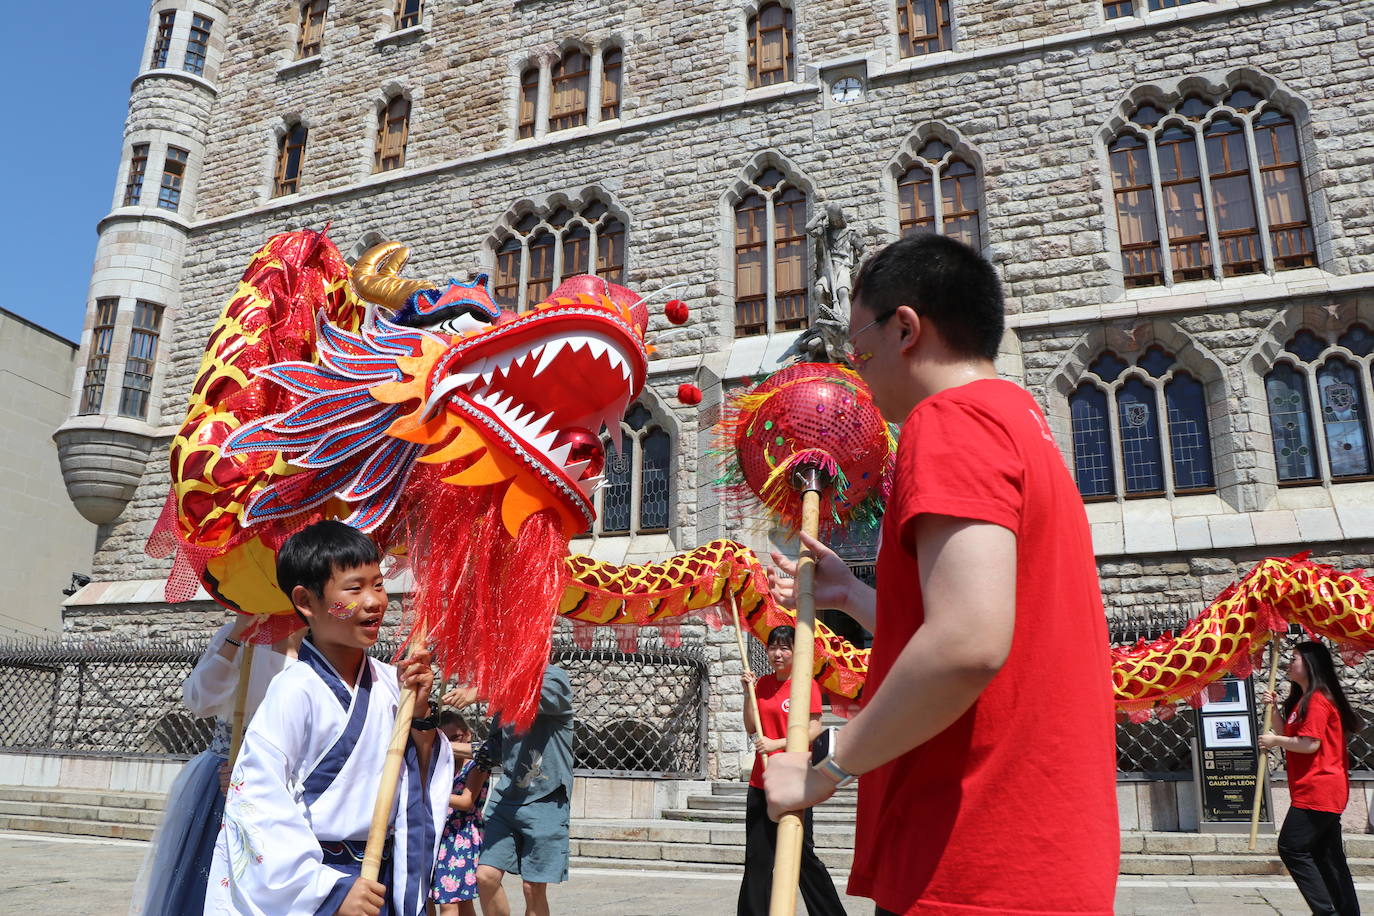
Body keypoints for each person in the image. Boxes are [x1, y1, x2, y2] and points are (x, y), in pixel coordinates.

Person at [763, 234, 1119, 914]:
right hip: (1037, 855)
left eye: (857, 343)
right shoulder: (1019, 417)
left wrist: (827, 767)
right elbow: (998, 623)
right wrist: (864, 599)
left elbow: (966, 643)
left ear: (905, 328)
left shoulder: (949, 420)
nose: (854, 366)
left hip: (976, 857)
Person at [204, 519, 453, 916]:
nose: (374, 601)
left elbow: (419, 780)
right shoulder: (293, 690)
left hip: (379, 879)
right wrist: (328, 891)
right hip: (319, 883)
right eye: (354, 588)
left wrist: (420, 715)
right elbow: (259, 801)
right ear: (305, 601)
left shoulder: (394, 683)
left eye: (378, 584)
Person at [129, 614, 302, 916]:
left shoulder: (322, 644)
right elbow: (199, 700)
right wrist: (235, 637)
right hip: (225, 778)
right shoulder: (241, 637)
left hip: (293, 784)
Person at [738, 626, 845, 916]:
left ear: (795, 652)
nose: (778, 653)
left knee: (801, 856)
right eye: (773, 647)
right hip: (762, 780)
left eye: (785, 647)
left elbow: (814, 728)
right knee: (758, 858)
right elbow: (751, 726)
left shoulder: (805, 684)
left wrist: (778, 742)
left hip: (795, 782)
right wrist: (748, 693)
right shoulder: (761, 685)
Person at [1259, 641, 1362, 916]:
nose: (1289, 663)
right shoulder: (1303, 699)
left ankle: (1324, 911)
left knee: (1291, 848)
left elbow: (1308, 744)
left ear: (1310, 664)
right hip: (1314, 787)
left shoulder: (1318, 700)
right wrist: (1276, 710)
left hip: (1319, 787)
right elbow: (1291, 736)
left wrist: (1273, 740)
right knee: (1328, 857)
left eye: (1294, 658)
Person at [470, 664, 574, 916]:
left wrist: (482, 692)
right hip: (506, 798)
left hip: (545, 798)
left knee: (532, 888)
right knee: (485, 876)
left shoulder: (553, 677)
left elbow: (536, 697)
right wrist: (439, 740)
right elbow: (495, 748)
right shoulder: (506, 686)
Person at [430, 713, 490, 916]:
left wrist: (431, 794)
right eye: (445, 740)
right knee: (453, 899)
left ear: (467, 735)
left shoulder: (477, 763)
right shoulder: (443, 763)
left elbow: (466, 802)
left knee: (450, 900)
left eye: (455, 738)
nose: (451, 745)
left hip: (461, 836)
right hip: (439, 833)